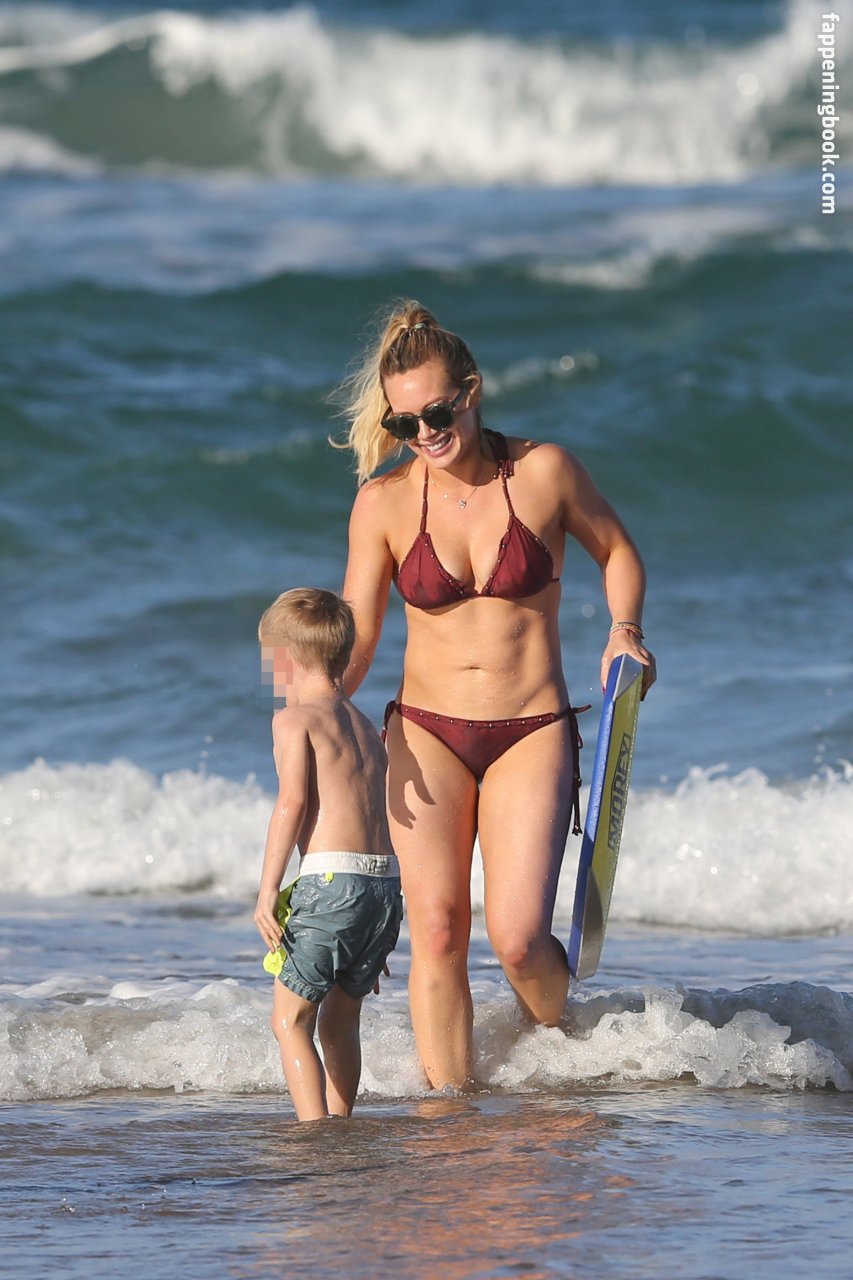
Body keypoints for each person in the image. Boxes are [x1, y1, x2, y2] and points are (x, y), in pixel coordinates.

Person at [338, 300, 656, 1092]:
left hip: (529, 730)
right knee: (439, 931)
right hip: (425, 734)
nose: (423, 433)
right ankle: (447, 1112)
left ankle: (562, 1057)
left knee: (517, 941)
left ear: (472, 392)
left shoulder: (544, 472)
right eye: (404, 422)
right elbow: (358, 634)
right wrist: (310, 703)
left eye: (436, 413)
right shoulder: (382, 501)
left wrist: (623, 630)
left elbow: (617, 550)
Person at [254, 588, 404, 1121]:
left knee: (289, 1021)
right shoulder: (366, 729)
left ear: (284, 659)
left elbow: (292, 803)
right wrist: (369, 921)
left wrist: (268, 889)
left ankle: (314, 1133)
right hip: (383, 887)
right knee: (340, 1023)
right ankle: (340, 1127)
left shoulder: (294, 720)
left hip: (331, 884)